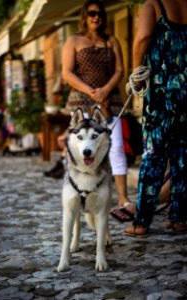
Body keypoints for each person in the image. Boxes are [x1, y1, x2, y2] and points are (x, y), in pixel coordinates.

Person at [124, 0, 187, 236]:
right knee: (182, 156)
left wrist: (136, 71)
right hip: (185, 91)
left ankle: (141, 222)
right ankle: (179, 218)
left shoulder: (154, 4)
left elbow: (142, 37)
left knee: (153, 155)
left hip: (162, 92)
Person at [60, 0, 130, 206]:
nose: (96, 17)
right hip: (81, 101)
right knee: (81, 147)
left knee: (116, 147)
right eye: (91, 13)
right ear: (84, 16)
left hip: (109, 100)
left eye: (99, 13)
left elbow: (120, 71)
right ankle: (80, 192)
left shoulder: (112, 41)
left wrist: (105, 90)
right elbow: (66, 72)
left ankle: (123, 198)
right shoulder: (73, 40)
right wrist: (90, 91)